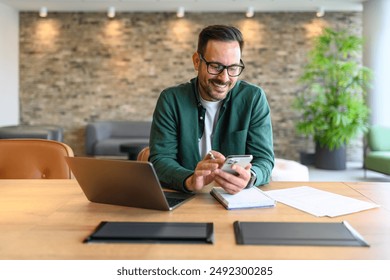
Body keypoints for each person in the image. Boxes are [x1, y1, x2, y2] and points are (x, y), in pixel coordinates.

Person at [149, 24, 274, 194]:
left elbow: (265, 160)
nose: (224, 78)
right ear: (196, 61)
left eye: (233, 68)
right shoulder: (171, 99)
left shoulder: (253, 99)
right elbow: (161, 160)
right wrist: (189, 180)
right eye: (215, 66)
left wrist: (249, 177)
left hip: (235, 199)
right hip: (187, 198)